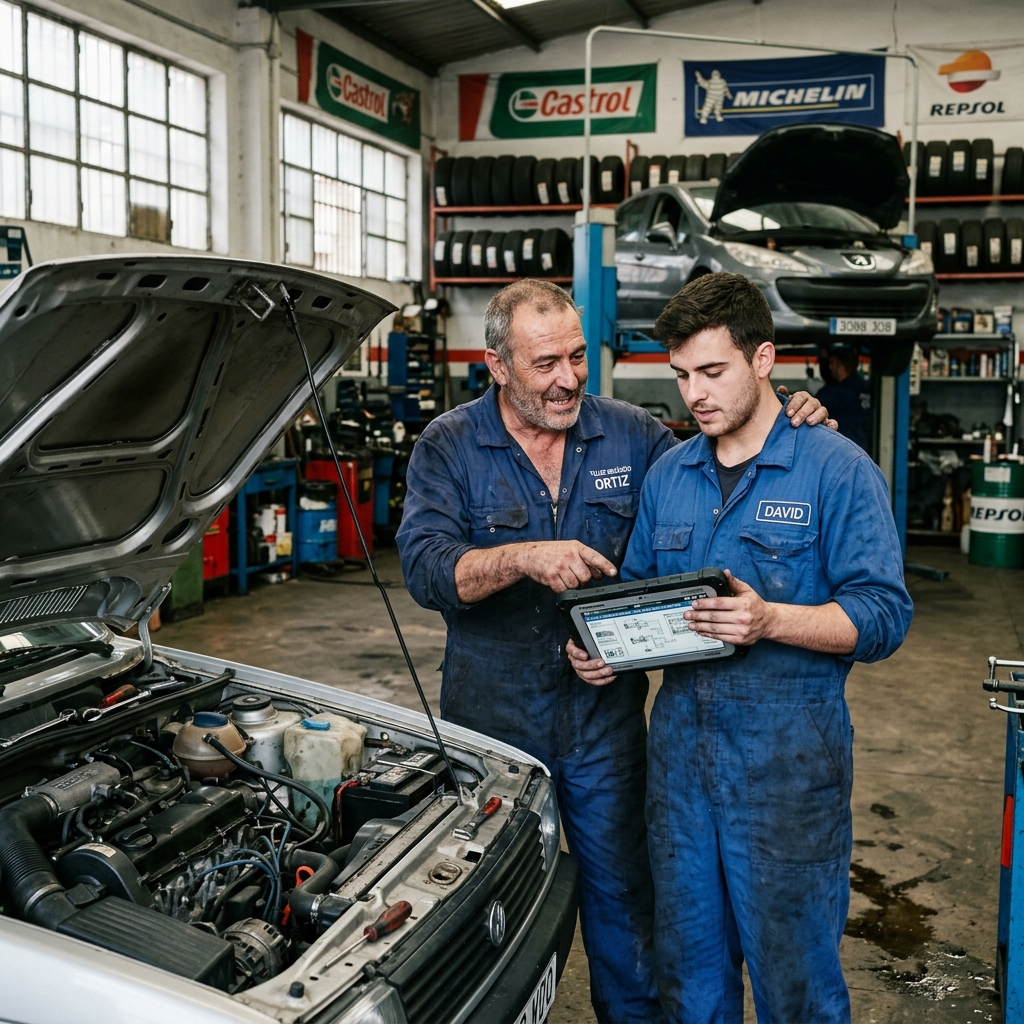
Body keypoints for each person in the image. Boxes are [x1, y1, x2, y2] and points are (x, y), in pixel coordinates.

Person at [396, 278, 831, 1024]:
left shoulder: (634, 436)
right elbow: (426, 568)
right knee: (479, 914)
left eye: (576, 358)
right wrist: (520, 558)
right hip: (491, 731)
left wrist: (786, 406)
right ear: (497, 366)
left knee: (628, 915)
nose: (567, 379)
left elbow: (721, 453)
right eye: (544, 365)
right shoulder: (450, 446)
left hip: (606, 724)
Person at [568, 273, 913, 1024]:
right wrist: (609, 649)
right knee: (691, 983)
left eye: (713, 371)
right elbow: (639, 595)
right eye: (682, 374)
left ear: (764, 359)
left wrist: (770, 620)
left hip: (789, 771)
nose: (695, 393)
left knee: (798, 988)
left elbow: (883, 615)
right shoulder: (671, 474)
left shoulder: (836, 471)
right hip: (682, 775)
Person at [815, 344, 871, 450]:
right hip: (863, 449)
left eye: (832, 363)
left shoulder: (832, 393)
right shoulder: (866, 388)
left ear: (841, 365)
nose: (830, 367)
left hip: (840, 451)